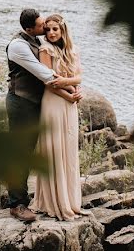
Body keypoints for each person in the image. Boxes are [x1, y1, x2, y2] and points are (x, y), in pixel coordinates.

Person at [5, 9, 76, 222]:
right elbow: (43, 73)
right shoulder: (18, 46)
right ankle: (17, 204)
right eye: (41, 24)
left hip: (38, 104)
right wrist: (72, 87)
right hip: (21, 103)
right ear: (29, 29)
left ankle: (48, 198)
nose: (45, 26)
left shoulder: (36, 40)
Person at [29, 13, 89, 220]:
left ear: (63, 30)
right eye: (48, 30)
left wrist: (75, 90)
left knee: (69, 149)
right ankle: (55, 202)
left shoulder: (73, 50)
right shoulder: (45, 50)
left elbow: (79, 77)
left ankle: (71, 201)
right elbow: (48, 82)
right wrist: (70, 94)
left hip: (69, 104)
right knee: (54, 149)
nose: (51, 33)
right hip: (54, 103)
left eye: (55, 29)